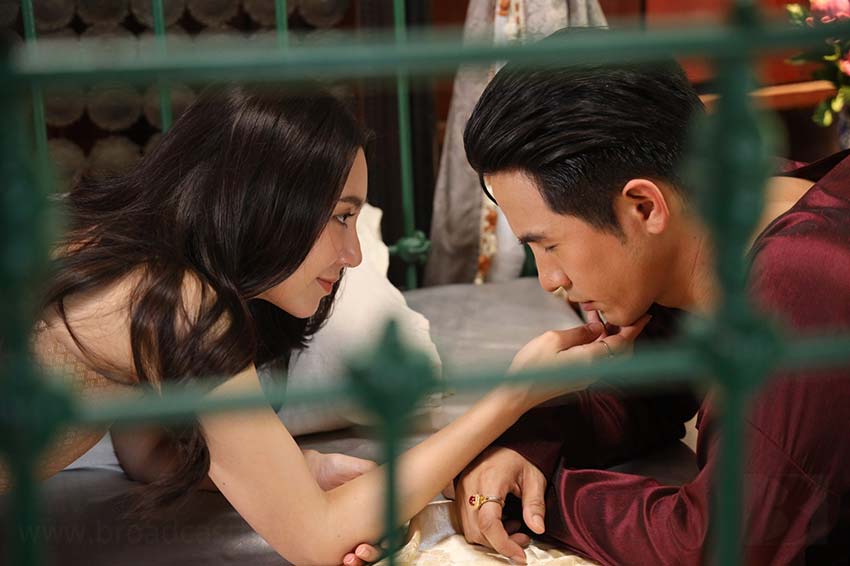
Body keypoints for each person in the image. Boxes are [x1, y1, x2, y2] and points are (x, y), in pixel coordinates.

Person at [0, 82, 648, 566]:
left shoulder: (143, 270)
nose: (354, 254)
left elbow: (148, 455)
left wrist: (300, 470)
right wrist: (513, 395)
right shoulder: (180, 302)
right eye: (341, 216)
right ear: (265, 201)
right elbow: (317, 540)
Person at [442, 39, 850, 565]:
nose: (549, 280)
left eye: (549, 245)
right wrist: (524, 446)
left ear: (643, 206)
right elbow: (644, 392)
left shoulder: (800, 285)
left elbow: (713, 545)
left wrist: (543, 498)